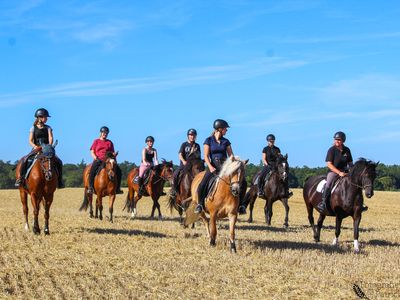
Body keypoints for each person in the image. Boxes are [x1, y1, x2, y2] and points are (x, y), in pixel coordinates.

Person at [195, 119, 246, 214]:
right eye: (225, 129)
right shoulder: (208, 140)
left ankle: (241, 205)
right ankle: (200, 204)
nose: (226, 130)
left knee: (243, 182)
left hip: (225, 168)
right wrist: (210, 167)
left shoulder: (226, 141)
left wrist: (239, 162)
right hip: (213, 167)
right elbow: (206, 156)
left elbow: (231, 156)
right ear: (219, 129)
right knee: (202, 184)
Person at [316, 131, 366, 212]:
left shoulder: (347, 150)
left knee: (356, 183)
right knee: (328, 183)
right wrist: (339, 173)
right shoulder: (331, 150)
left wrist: (351, 172)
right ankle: (323, 203)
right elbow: (329, 164)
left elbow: (350, 163)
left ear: (343, 141)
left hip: (345, 172)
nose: (336, 141)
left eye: (339, 140)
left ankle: (360, 204)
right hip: (333, 172)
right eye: (335, 139)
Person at [15, 108, 64, 188]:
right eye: (45, 117)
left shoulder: (48, 127)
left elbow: (51, 138)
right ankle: (20, 179)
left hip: (47, 149)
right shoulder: (33, 128)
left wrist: (49, 146)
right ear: (39, 118)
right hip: (36, 148)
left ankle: (59, 181)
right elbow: (30, 140)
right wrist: (35, 146)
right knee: (25, 160)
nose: (47, 119)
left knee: (59, 161)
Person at [87, 126, 123, 194]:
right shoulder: (96, 141)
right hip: (99, 159)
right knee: (92, 170)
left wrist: (114, 154)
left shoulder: (110, 142)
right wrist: (95, 158)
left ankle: (117, 188)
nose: (105, 134)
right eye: (103, 132)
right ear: (101, 133)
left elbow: (112, 152)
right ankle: (90, 187)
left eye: (106, 133)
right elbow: (92, 151)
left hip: (108, 160)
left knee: (119, 171)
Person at [257, 134, 292, 198]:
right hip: (268, 165)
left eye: (273, 141)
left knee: (285, 175)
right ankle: (260, 190)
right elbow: (264, 159)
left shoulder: (277, 149)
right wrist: (267, 165)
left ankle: (287, 191)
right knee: (261, 176)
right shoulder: (265, 149)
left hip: (276, 166)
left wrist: (283, 157)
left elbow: (280, 157)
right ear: (268, 141)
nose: (272, 142)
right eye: (270, 141)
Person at [169, 128, 201, 198]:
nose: (192, 137)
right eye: (191, 135)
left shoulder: (197, 146)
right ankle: (173, 190)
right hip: (184, 165)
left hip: (193, 166)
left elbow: (198, 157)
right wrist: (183, 161)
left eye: (194, 135)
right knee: (175, 174)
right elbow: (180, 154)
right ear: (188, 136)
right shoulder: (184, 144)